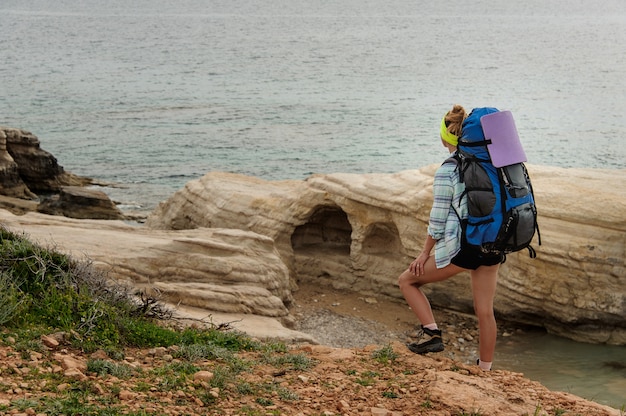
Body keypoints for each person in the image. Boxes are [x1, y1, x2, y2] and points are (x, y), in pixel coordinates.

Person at [397, 104, 504, 371]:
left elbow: (439, 217)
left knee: (407, 280)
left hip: (465, 248)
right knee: (485, 311)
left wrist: (424, 253)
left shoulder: (449, 169)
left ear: (447, 136)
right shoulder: (492, 164)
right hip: (494, 243)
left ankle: (432, 333)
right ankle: (485, 369)